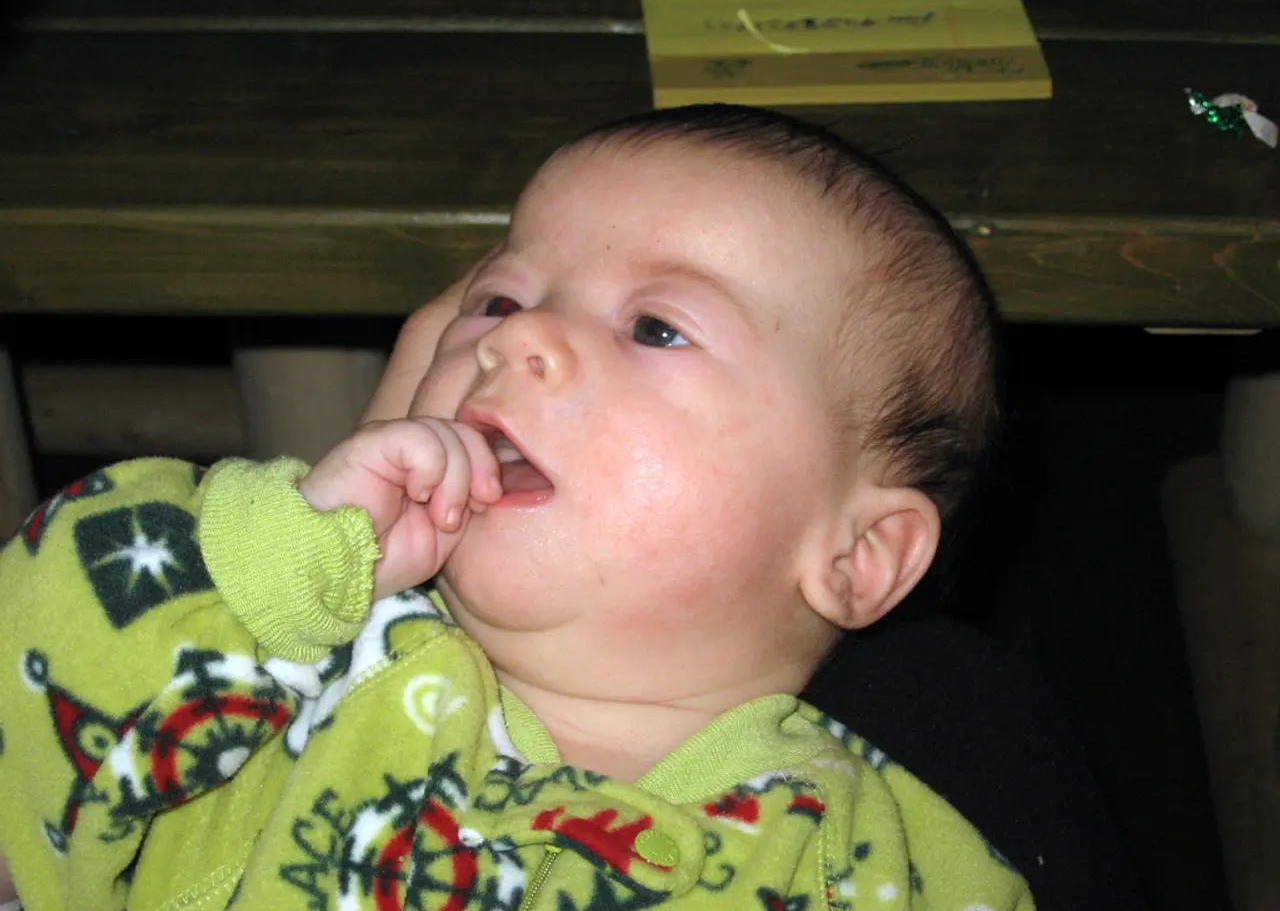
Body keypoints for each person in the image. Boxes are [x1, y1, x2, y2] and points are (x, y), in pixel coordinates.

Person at [0, 104, 1032, 910]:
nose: (509, 338)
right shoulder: (292, 644)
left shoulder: (865, 859)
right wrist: (290, 552)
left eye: (656, 328)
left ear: (857, 553)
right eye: (498, 300)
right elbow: (42, 663)